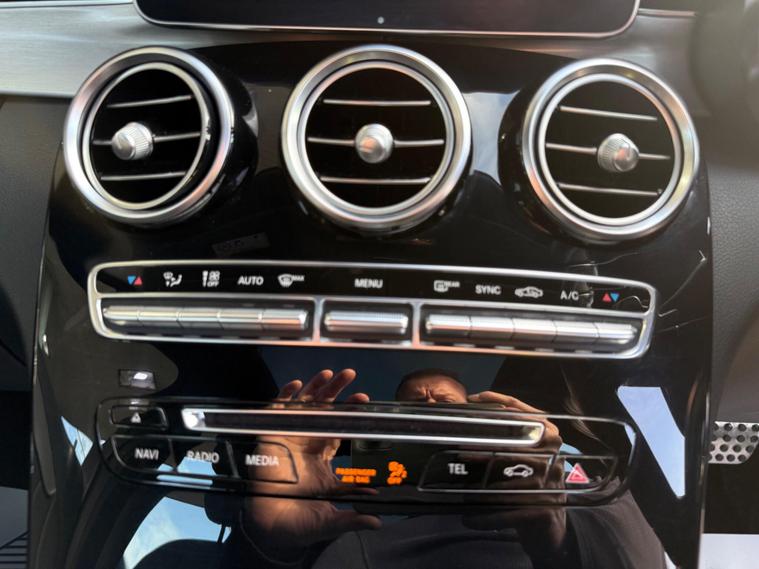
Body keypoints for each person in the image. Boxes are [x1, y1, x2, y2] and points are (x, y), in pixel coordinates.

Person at [224, 369, 667, 569]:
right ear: (394, 435)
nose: (431, 405)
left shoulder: (557, 473)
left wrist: (562, 538)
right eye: (417, 408)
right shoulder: (350, 526)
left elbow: (640, 557)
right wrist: (269, 541)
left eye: (447, 404)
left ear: (486, 416)